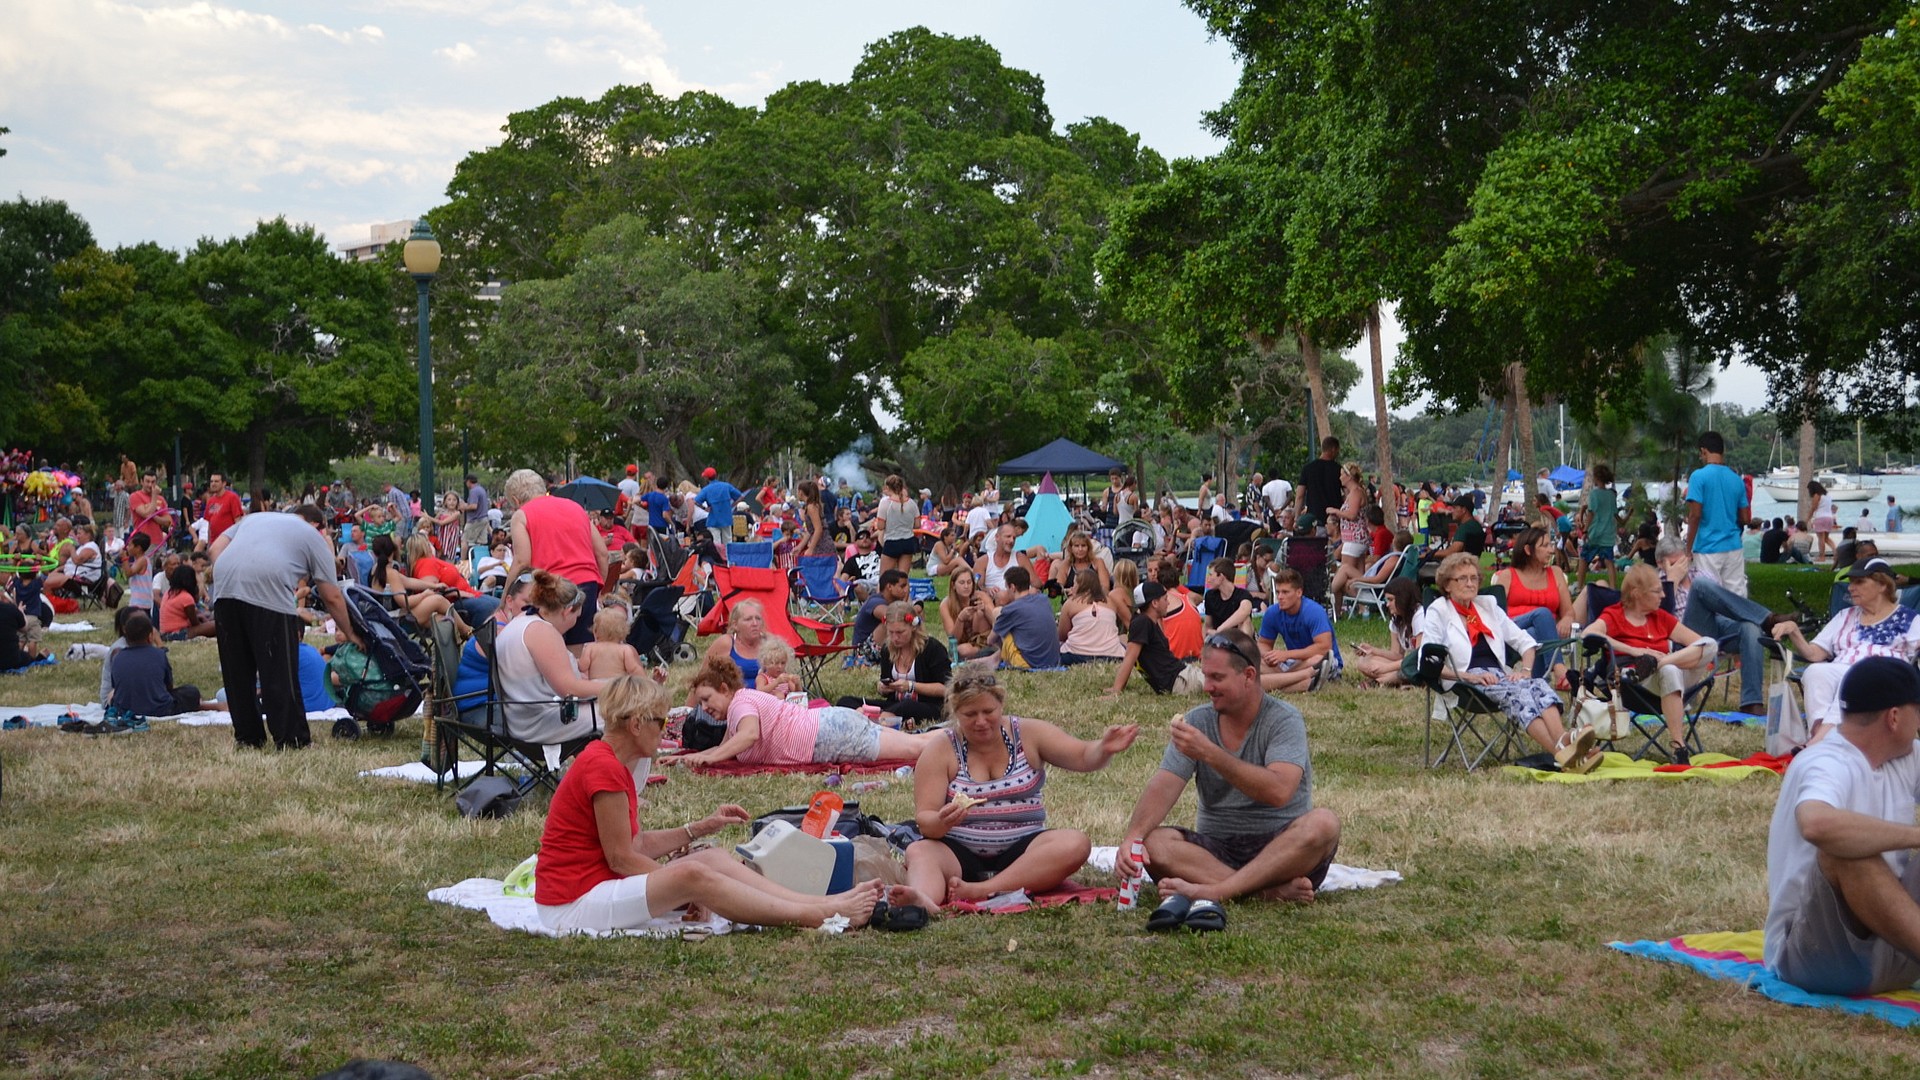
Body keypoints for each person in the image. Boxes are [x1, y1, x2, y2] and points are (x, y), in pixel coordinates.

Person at [536, 675, 883, 934]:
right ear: (636, 724)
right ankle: (815, 914)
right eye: (661, 721)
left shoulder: (610, 762)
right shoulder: (604, 766)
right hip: (572, 903)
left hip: (588, 889)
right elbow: (622, 858)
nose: (667, 729)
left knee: (712, 858)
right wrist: (684, 887)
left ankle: (820, 905)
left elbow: (634, 844)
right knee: (693, 873)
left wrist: (699, 828)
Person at [1115, 630, 1343, 930]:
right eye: (1205, 676)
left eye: (1217, 678)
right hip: (1216, 850)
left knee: (1324, 824)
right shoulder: (1199, 721)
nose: (1207, 686)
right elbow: (1164, 784)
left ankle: (1215, 891)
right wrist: (1134, 836)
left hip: (1281, 851)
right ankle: (1263, 893)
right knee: (1155, 843)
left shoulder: (1284, 720)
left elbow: (1278, 791)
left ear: (1249, 675)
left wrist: (1210, 754)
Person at [894, 670, 1137, 913]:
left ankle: (983, 889)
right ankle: (922, 901)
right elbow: (925, 821)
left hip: (1023, 852)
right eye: (970, 715)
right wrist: (942, 821)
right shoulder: (941, 749)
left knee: (1075, 843)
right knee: (920, 851)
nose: (981, 721)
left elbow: (1083, 757)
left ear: (1001, 704)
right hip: (958, 852)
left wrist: (1104, 749)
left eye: (988, 712)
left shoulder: (1028, 734)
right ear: (956, 713)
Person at [1763, 657, 1920, 996]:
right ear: (1895, 717)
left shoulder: (1905, 757)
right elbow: (1817, 824)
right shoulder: (1826, 761)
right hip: (1817, 960)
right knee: (1844, 851)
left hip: (1899, 953)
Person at [1421, 551, 1598, 770]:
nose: (1470, 583)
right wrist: (1470, 676)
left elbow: (1525, 642)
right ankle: (1564, 750)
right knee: (1521, 693)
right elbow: (1428, 660)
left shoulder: (1487, 606)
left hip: (1499, 676)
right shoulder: (1439, 611)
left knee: (1538, 684)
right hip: (1464, 682)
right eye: (1463, 579)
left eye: (1474, 577)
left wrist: (1525, 670)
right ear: (1447, 585)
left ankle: (1564, 743)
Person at [207, 505, 359, 750]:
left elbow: (215, 549)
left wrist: (236, 575)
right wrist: (350, 633)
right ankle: (292, 739)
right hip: (269, 590)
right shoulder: (313, 537)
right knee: (278, 670)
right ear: (317, 525)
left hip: (225, 587)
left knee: (237, 673)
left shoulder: (254, 518)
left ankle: (248, 739)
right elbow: (332, 596)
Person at [672, 658, 938, 767]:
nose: (705, 709)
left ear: (724, 688)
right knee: (916, 744)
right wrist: (687, 758)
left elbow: (749, 736)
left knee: (915, 750)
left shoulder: (741, 705)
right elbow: (724, 746)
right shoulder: (739, 708)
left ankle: (960, 745)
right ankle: (955, 739)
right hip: (832, 726)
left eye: (707, 700)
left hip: (828, 736)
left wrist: (709, 759)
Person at [1771, 558, 1920, 742]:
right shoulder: (1845, 616)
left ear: (1882, 585)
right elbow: (1814, 654)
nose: (1850, 588)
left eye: (1859, 582)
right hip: (1842, 668)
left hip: (1884, 677)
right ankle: (1822, 737)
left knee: (1853, 677)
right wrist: (1794, 630)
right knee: (1816, 672)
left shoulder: (1909, 619)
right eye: (1850, 583)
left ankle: (1818, 743)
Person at [1591, 564, 1720, 764]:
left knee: (1709, 644)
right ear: (1636, 593)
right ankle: (1679, 747)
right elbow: (1588, 634)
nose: (1663, 596)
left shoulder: (1661, 618)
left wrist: (1663, 660)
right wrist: (1634, 651)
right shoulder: (1614, 615)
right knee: (1669, 670)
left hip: (1671, 676)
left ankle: (1658, 663)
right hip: (1634, 686)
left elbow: (1699, 643)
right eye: (1657, 590)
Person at [490, 570, 607, 746]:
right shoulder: (542, 632)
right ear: (567, 611)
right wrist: (617, 688)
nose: (576, 622)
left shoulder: (522, 621)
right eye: (577, 616)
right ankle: (624, 774)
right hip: (539, 723)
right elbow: (569, 689)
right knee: (629, 713)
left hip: (523, 718)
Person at [503, 469, 609, 654]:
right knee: (578, 653)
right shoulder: (575, 507)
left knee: (549, 654)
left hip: (551, 588)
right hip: (586, 584)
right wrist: (599, 588)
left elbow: (522, 561)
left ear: (516, 499)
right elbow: (602, 554)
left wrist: (505, 598)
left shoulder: (522, 515)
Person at [836, 601, 952, 726]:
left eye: (900, 632)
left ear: (913, 627)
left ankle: (873, 719)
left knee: (906, 706)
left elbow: (946, 688)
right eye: (891, 632)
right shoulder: (888, 649)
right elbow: (886, 683)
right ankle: (871, 717)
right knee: (846, 701)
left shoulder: (932, 648)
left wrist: (911, 686)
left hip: (928, 706)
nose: (895, 638)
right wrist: (883, 687)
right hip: (895, 704)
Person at [1491, 527, 1573, 682]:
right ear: (1528, 550)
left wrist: (1567, 619)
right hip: (1512, 629)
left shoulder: (1555, 573)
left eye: (1551, 544)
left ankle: (1538, 686)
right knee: (1542, 613)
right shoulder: (1508, 576)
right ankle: (1558, 667)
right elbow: (1496, 614)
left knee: (1533, 634)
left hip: (1542, 632)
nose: (1551, 550)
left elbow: (1568, 611)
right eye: (1544, 546)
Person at [109, 611, 221, 717]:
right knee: (191, 692)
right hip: (161, 709)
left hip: (124, 710)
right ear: (150, 636)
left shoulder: (117, 657)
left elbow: (116, 687)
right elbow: (168, 687)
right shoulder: (158, 654)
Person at [1101, 582, 1202, 696]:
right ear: (1154, 603)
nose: (1168, 603)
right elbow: (1130, 657)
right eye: (1165, 599)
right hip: (1181, 681)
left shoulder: (1148, 622)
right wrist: (1116, 690)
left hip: (1182, 675)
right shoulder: (1142, 623)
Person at [1684, 431, 1750, 595]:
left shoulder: (1698, 476)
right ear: (1723, 451)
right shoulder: (1736, 479)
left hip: (1708, 546)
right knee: (1736, 596)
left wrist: (1688, 549)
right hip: (1734, 545)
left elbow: (1695, 515)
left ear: (1703, 451)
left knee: (1710, 595)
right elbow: (1745, 518)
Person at [1255, 568, 1341, 693]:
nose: (1280, 597)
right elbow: (1263, 643)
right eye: (1278, 592)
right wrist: (1268, 656)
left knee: (1318, 660)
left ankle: (1276, 682)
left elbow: (1324, 647)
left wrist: (1285, 655)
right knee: (1255, 660)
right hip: (1294, 664)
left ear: (1299, 592)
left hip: (1317, 660)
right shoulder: (1272, 612)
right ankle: (1301, 683)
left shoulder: (1313, 611)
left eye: (1285, 592)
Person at [1350, 578, 1423, 687]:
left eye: (1391, 600)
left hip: (1422, 665)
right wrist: (1372, 650)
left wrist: (1386, 668)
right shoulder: (1396, 619)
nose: (1387, 604)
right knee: (1363, 662)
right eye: (1386, 600)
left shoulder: (1419, 616)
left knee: (1409, 670)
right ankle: (1396, 680)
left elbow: (1418, 657)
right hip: (1407, 664)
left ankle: (1380, 682)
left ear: (1403, 598)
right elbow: (1397, 655)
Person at [988, 566, 1062, 670]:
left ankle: (1000, 659)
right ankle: (997, 657)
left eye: (1007, 587)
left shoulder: (1012, 609)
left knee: (997, 612)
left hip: (1029, 663)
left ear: (1012, 587)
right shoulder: (1043, 599)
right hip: (1053, 660)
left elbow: (990, 641)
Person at [1058, 568, 1127, 666]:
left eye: (1074, 584)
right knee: (1123, 637)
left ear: (1080, 586)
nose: (1072, 588)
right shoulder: (1110, 602)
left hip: (1076, 655)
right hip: (1113, 655)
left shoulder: (1070, 603)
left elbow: (1062, 636)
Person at [700, 598, 774, 687]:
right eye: (748, 619)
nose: (755, 623)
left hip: (768, 697)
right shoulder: (726, 643)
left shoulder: (769, 642)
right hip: (734, 697)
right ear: (735, 625)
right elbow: (702, 679)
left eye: (758, 618)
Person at [941, 571, 999, 661]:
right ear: (953, 585)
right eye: (962, 583)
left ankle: (988, 651)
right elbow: (953, 639)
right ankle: (987, 653)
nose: (966, 586)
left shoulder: (981, 596)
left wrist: (985, 610)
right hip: (966, 644)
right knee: (962, 650)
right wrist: (960, 619)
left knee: (979, 614)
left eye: (969, 582)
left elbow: (997, 623)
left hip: (986, 640)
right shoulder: (946, 605)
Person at [1579, 463, 1620, 588]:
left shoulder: (1594, 494)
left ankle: (1580, 586)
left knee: (1584, 558)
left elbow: (1591, 513)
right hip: (1608, 533)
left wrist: (1585, 530)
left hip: (1595, 533)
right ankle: (1613, 587)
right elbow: (1615, 514)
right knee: (1609, 561)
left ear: (1596, 478)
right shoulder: (1611, 495)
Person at [580, 606, 647, 680]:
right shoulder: (625, 649)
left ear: (595, 631)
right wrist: (645, 681)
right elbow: (634, 669)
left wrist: (576, 661)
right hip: (617, 686)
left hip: (596, 686)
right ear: (624, 632)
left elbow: (583, 667)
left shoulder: (590, 647)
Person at [851, 570, 910, 650]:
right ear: (889, 587)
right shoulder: (875, 602)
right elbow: (894, 617)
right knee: (890, 620)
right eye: (902, 586)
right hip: (863, 651)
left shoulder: (890, 603)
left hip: (877, 647)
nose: (906, 591)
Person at [159, 564, 218, 640]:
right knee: (215, 625)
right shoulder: (186, 597)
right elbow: (195, 623)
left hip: (164, 633)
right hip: (177, 634)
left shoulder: (168, 593)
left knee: (206, 617)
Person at [978, 523, 1032, 605]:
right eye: (1008, 536)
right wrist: (987, 590)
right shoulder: (983, 561)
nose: (1012, 541)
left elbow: (1037, 584)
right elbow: (977, 588)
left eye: (1014, 538)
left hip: (1019, 601)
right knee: (1002, 596)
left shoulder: (1021, 558)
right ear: (997, 537)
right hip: (994, 604)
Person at [875, 474, 918, 576]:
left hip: (892, 541)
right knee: (903, 577)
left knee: (884, 577)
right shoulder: (911, 503)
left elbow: (880, 526)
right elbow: (917, 524)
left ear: (888, 487)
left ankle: (881, 592)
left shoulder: (885, 503)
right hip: (908, 541)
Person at [1298, 436, 1342, 532]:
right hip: (1335, 520)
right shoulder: (1339, 469)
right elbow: (1347, 493)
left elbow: (1300, 495)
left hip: (1314, 519)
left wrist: (1297, 518)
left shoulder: (1308, 468)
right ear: (1333, 449)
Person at [1200, 557, 1254, 636]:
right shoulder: (1210, 596)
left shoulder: (1243, 595)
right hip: (1218, 640)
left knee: (1245, 620)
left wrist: (1219, 630)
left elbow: (1244, 611)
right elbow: (1208, 625)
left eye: (1211, 575)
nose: (1208, 579)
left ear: (1221, 577)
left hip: (1238, 638)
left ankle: (1242, 648)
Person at [694, 467, 745, 551]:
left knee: (716, 542)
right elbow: (741, 496)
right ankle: (728, 559)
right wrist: (732, 505)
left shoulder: (706, 489)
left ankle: (718, 560)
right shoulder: (726, 486)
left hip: (713, 519)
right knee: (728, 541)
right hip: (726, 517)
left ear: (707, 478)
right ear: (716, 475)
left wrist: (705, 508)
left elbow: (696, 501)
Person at [1049, 531, 1111, 596]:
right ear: (1071, 548)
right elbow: (1058, 588)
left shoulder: (1098, 562)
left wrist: (1086, 593)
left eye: (1083, 545)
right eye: (1076, 546)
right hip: (1072, 601)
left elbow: (1105, 588)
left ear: (1088, 548)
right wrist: (1068, 591)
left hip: (1093, 600)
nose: (1080, 549)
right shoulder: (1066, 564)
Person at [127, 472, 172, 550]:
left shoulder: (161, 499)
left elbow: (168, 522)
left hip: (159, 541)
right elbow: (145, 513)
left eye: (153, 482)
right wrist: (154, 497)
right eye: (147, 481)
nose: (150, 485)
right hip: (142, 543)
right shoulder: (135, 496)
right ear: (142, 482)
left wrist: (154, 516)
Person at [200, 472, 245, 545]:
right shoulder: (210, 500)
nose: (213, 484)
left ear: (224, 483)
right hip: (214, 542)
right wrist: (209, 544)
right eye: (211, 481)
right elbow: (210, 525)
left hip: (228, 542)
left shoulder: (232, 497)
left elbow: (238, 521)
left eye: (216, 481)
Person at [1808, 480, 1838, 561]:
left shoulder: (1817, 495)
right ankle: (1835, 552)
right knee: (1826, 538)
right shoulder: (1827, 495)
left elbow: (1813, 508)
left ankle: (1822, 557)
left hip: (1820, 518)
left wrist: (1808, 519)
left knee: (1821, 538)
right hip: (1829, 518)